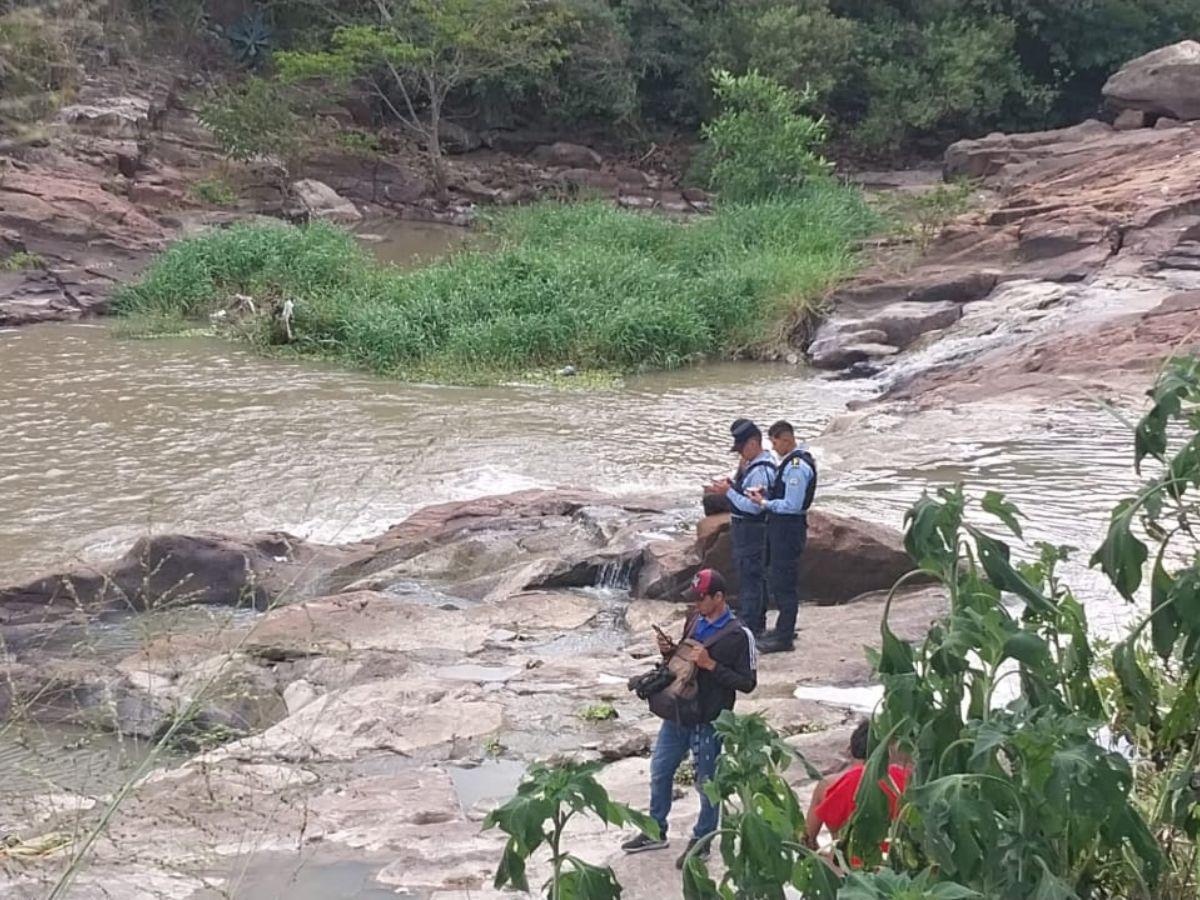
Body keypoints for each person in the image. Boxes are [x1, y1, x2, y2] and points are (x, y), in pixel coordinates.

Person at [621, 568, 758, 868]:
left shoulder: (739, 635)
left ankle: (703, 839)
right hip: (679, 712)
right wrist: (671, 652)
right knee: (660, 769)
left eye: (701, 598)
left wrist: (711, 666)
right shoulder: (694, 620)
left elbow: (748, 683)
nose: (696, 604)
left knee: (707, 783)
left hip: (710, 718)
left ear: (719, 598)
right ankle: (655, 829)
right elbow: (682, 663)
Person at [749, 420, 816, 653]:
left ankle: (784, 637)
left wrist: (764, 502)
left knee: (784, 583)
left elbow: (792, 504)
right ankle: (782, 629)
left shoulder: (797, 465)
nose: (774, 448)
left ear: (787, 440)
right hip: (782, 529)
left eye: (775, 442)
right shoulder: (790, 463)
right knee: (777, 579)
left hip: (789, 530)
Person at [705, 419, 775, 637]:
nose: (741, 454)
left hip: (752, 532)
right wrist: (732, 487)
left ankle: (751, 628)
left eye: (742, 448)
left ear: (754, 443)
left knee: (751, 581)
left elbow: (754, 508)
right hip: (748, 531)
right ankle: (755, 624)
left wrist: (728, 493)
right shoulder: (752, 467)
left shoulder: (761, 471)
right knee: (753, 580)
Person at [804, 720, 910, 860]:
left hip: (846, 873)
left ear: (851, 749)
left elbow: (806, 841)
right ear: (887, 751)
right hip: (894, 873)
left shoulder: (827, 785)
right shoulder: (906, 781)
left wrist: (827, 858)